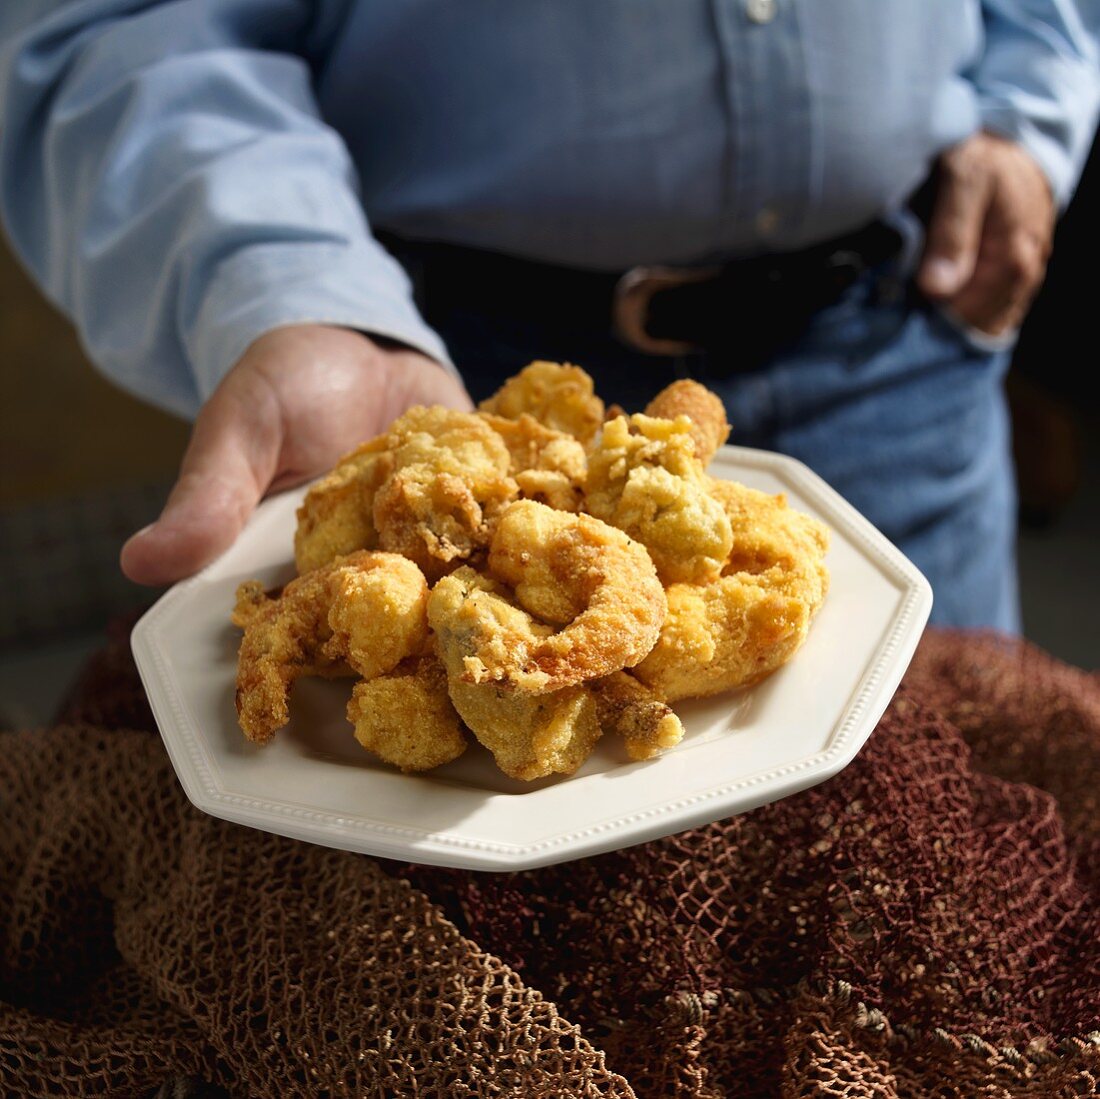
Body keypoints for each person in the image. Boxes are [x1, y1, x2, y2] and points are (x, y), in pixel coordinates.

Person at [1, 2, 1096, 630]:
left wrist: (1030, 99)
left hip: (902, 341)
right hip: (437, 372)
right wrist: (294, 289)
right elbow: (126, 25)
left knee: (940, 868)